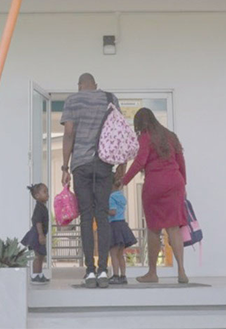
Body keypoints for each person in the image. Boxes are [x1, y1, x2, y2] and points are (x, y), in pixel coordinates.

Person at [61, 73, 124, 289]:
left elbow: (69, 133)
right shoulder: (109, 98)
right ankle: (104, 270)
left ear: (79, 86)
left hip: (81, 165)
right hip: (105, 164)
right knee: (103, 216)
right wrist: (121, 165)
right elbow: (119, 132)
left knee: (86, 217)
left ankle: (89, 271)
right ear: (95, 85)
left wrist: (64, 167)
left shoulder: (72, 100)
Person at [122, 108, 189, 284]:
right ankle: (181, 270)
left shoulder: (146, 136)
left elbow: (140, 161)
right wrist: (184, 185)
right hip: (175, 183)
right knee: (174, 228)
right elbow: (181, 162)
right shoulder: (171, 135)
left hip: (155, 185)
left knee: (154, 229)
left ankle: (152, 273)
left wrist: (124, 181)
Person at [108, 180, 137, 285]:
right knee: (120, 254)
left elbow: (113, 212)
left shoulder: (111, 198)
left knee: (113, 253)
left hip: (114, 226)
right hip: (122, 225)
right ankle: (123, 276)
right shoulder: (121, 197)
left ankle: (115, 275)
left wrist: (103, 209)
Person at [21, 183, 50, 285]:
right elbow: (38, 222)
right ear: (37, 196)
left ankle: (40, 273)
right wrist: (41, 235)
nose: (48, 194)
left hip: (39, 234)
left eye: (47, 192)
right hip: (36, 234)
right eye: (45, 192)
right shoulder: (39, 208)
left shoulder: (42, 207)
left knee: (41, 255)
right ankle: (35, 275)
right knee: (38, 255)